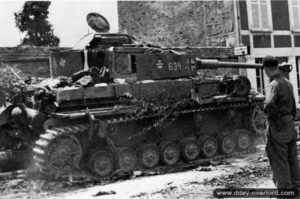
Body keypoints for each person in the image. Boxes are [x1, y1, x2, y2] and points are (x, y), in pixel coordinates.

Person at [263, 55, 300, 198]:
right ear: (277, 67)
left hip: (278, 127)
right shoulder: (287, 82)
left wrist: (274, 120)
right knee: (293, 159)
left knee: (280, 162)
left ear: (266, 70)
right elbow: (293, 106)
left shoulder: (273, 85)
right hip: (290, 125)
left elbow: (269, 104)